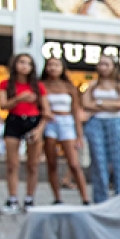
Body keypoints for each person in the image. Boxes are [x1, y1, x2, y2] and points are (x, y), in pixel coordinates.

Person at [0, 53, 51, 213]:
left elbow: (47, 112)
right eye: (21, 62)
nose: (24, 66)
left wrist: (39, 129)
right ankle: (12, 198)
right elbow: (3, 105)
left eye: (28, 63)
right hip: (14, 120)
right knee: (12, 164)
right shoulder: (6, 84)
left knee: (33, 165)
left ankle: (29, 198)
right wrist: (18, 99)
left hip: (33, 122)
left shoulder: (38, 86)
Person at [82, 55, 120, 203]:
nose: (103, 67)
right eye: (101, 64)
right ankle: (100, 200)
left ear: (113, 67)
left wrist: (98, 103)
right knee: (98, 162)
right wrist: (111, 104)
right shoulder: (93, 85)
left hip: (117, 123)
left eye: (106, 64)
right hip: (96, 123)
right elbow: (86, 104)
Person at [40, 56, 90, 205]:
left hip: (67, 122)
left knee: (74, 163)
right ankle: (57, 198)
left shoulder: (69, 87)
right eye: (50, 65)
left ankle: (85, 198)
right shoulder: (42, 85)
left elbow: (76, 111)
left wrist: (79, 135)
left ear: (62, 68)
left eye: (56, 65)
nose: (53, 68)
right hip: (50, 122)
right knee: (52, 163)